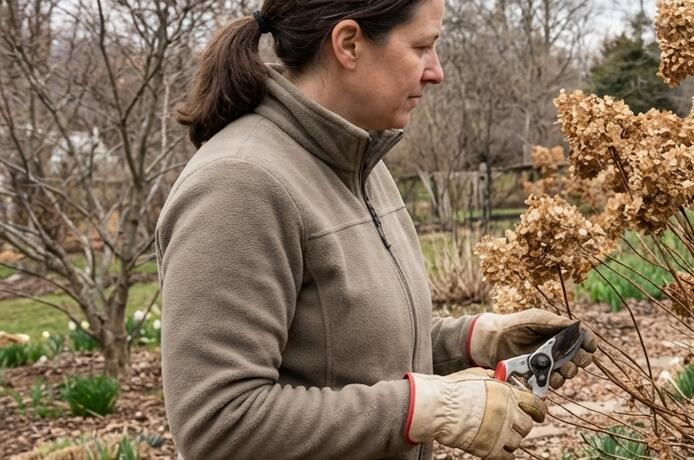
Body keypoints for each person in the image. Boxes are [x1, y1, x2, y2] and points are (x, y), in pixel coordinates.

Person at [157, 1, 595, 459]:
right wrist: (428, 409)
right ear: (349, 44)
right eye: (422, 47)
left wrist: (475, 340)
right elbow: (219, 425)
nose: (436, 72)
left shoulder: (360, 164)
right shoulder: (239, 184)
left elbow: (349, 353)